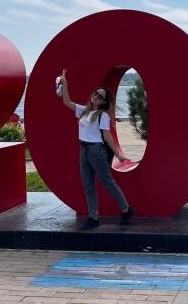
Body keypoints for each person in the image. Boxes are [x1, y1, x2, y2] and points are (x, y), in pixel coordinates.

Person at [58, 72, 135, 230]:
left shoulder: (103, 115)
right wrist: (65, 84)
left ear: (104, 101)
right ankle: (93, 217)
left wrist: (118, 155)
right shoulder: (84, 111)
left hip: (96, 151)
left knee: (108, 182)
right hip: (84, 150)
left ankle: (126, 209)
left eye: (100, 96)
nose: (96, 96)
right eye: (95, 93)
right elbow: (66, 101)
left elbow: (107, 136)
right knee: (88, 185)